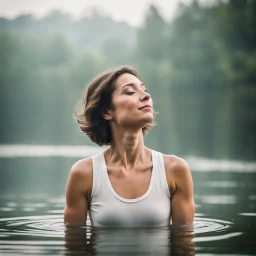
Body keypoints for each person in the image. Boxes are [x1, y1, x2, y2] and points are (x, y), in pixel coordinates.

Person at [64, 66, 195, 228]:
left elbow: (184, 245)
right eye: (131, 92)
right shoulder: (83, 174)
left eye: (145, 90)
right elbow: (75, 245)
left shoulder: (176, 170)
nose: (146, 96)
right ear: (107, 111)